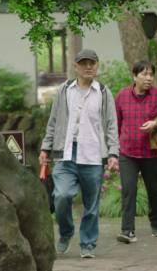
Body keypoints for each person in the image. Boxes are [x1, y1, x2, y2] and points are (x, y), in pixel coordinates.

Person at [39, 49, 120, 259]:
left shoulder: (103, 92)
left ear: (97, 66)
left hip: (93, 155)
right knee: (62, 196)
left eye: (92, 63)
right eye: (83, 63)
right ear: (76, 67)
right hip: (66, 154)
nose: (88, 67)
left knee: (91, 205)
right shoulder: (65, 90)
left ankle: (88, 244)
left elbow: (111, 125)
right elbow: (53, 121)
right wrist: (45, 148)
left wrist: (113, 153)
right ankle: (66, 232)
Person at [114, 60, 157, 244]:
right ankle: (127, 230)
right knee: (128, 190)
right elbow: (116, 123)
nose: (149, 78)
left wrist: (156, 123)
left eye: (151, 74)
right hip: (127, 152)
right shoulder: (122, 96)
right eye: (144, 74)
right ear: (134, 76)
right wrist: (114, 150)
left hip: (151, 153)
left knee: (154, 190)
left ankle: (156, 223)